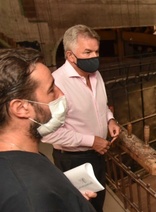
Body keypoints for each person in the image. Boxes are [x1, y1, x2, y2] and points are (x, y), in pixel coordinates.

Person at [0, 47, 96, 211]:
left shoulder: (22, 159)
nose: (61, 94)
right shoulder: (29, 197)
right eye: (51, 90)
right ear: (21, 108)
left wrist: (68, 199)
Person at [42, 24, 121, 212]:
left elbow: (101, 105)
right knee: (81, 206)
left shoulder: (96, 74)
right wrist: (91, 141)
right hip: (73, 159)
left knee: (97, 203)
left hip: (98, 154)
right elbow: (48, 135)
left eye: (96, 52)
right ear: (70, 56)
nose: (94, 57)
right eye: (87, 52)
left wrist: (110, 119)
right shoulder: (56, 84)